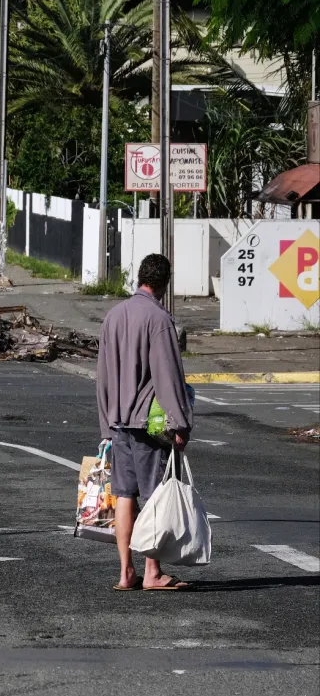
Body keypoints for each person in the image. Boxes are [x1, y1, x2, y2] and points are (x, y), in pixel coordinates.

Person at [96, 253, 193, 592]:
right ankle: (152, 572)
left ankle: (126, 572)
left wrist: (106, 425)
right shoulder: (159, 319)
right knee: (153, 497)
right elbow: (168, 378)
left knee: (124, 496)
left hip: (118, 423)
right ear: (164, 284)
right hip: (148, 426)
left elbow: (103, 377)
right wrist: (181, 424)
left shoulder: (114, 316)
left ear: (139, 278)